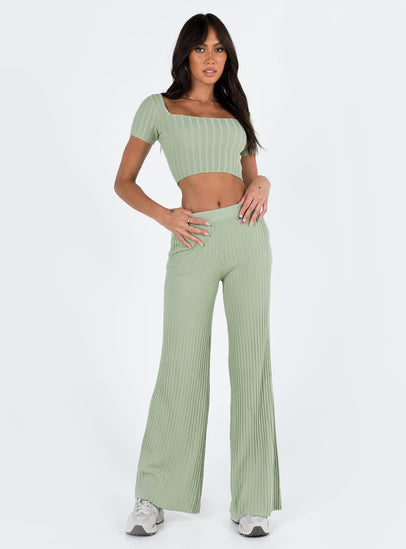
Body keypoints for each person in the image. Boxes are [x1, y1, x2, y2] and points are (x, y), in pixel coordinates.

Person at [114, 13, 282, 538]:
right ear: (185, 54)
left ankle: (251, 500)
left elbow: (251, 176)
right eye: (201, 48)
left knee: (251, 363)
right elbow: (124, 181)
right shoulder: (158, 108)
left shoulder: (235, 111)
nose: (211, 58)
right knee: (181, 363)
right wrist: (165, 215)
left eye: (219, 49)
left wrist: (263, 183)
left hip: (247, 239)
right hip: (193, 240)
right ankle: (154, 495)